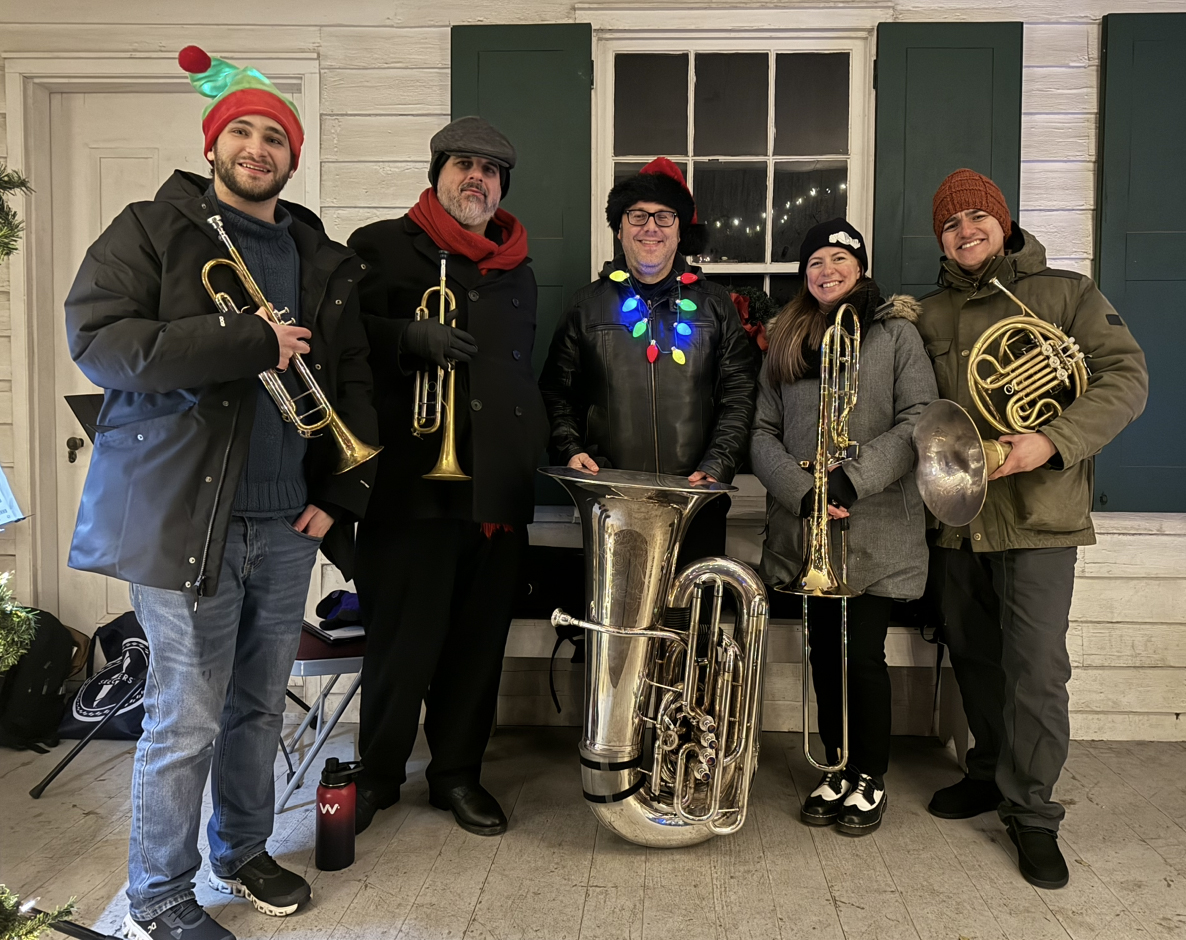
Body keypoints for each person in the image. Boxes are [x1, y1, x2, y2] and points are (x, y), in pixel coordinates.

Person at [64, 47, 378, 940]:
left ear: (293, 155)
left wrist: (341, 493)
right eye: (241, 131)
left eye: (274, 136)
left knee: (257, 706)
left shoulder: (320, 256)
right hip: (185, 517)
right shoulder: (151, 229)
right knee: (186, 717)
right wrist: (247, 341)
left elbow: (351, 380)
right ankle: (160, 893)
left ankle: (241, 851)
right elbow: (102, 343)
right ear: (212, 145)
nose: (256, 148)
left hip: (285, 522)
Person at [918, 169, 1148, 888]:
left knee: (1037, 670)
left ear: (1004, 223)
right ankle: (989, 770)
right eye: (951, 224)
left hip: (1040, 515)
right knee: (974, 655)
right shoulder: (928, 313)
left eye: (977, 218)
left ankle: (1033, 812)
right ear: (941, 239)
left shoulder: (1067, 293)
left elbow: (1127, 378)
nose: (965, 231)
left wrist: (1051, 440)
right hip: (960, 517)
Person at [347, 116, 549, 837]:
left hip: (494, 491)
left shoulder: (518, 268)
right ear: (437, 173)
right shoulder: (380, 246)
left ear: (502, 188)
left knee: (476, 650)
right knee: (401, 646)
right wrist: (406, 336)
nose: (477, 179)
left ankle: (457, 774)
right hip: (411, 488)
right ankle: (377, 774)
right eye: (463, 164)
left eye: (490, 171)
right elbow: (339, 343)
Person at [750, 218, 937, 835]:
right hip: (809, 525)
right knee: (824, 653)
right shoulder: (786, 337)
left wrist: (852, 481)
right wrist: (804, 492)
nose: (826, 271)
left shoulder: (895, 333)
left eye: (839, 259)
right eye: (815, 263)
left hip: (875, 524)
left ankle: (869, 775)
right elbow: (762, 432)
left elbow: (918, 420)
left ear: (860, 267)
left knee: (862, 655)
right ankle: (835, 763)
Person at [539, 158, 756, 562]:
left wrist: (719, 462)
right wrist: (569, 449)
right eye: (637, 215)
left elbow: (739, 392)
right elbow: (556, 391)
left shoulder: (715, 305)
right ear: (619, 228)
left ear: (680, 230)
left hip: (697, 499)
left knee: (689, 603)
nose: (650, 227)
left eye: (663, 216)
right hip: (611, 501)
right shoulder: (585, 307)